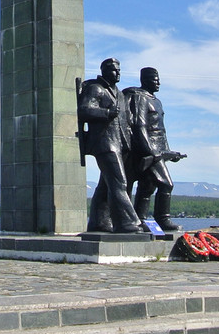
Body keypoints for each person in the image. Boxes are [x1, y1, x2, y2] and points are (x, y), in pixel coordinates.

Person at [77, 58, 145, 234]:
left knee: (105, 186)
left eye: (119, 70)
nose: (118, 73)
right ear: (105, 71)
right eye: (114, 70)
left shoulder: (120, 94)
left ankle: (98, 223)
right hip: (104, 143)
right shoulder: (96, 89)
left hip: (120, 144)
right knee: (119, 182)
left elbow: (126, 121)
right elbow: (83, 110)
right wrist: (106, 112)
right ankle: (127, 223)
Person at [123, 67, 185, 231]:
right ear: (145, 80)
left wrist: (169, 153)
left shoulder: (157, 101)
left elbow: (161, 130)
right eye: (154, 79)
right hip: (148, 150)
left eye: (158, 79)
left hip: (159, 150)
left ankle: (140, 219)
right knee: (166, 184)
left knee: (147, 185)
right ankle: (162, 218)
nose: (158, 83)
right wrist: (150, 152)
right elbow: (139, 126)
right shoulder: (139, 98)